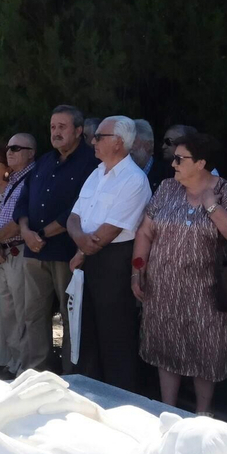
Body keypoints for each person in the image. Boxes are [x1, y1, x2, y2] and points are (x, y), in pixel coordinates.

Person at [131, 132, 227, 413]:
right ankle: (168, 410)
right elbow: (145, 233)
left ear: (201, 163)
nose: (172, 164)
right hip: (162, 285)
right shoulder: (167, 189)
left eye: (179, 158)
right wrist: (138, 271)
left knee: (205, 351)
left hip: (206, 289)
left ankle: (202, 413)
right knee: (165, 347)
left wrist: (211, 205)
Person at [68, 116, 152, 391]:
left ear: (118, 142)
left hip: (115, 261)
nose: (92, 141)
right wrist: (82, 245)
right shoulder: (97, 173)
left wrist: (83, 249)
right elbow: (74, 217)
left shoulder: (134, 180)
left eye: (99, 137)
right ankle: (91, 391)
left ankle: (120, 396)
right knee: (88, 329)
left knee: (115, 333)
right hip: (88, 257)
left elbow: (110, 231)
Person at [13, 106, 98, 371]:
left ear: (78, 130)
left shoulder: (91, 163)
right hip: (33, 251)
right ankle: (36, 375)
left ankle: (71, 377)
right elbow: (23, 201)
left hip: (66, 253)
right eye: (52, 127)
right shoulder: (44, 161)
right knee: (33, 316)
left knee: (71, 316)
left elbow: (78, 208)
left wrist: (41, 234)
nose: (56, 132)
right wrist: (26, 231)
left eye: (62, 127)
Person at [0, 134, 39, 374]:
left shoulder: (32, 179)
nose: (9, 152)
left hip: (20, 251)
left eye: (16, 148)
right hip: (4, 252)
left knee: (23, 313)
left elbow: (18, 223)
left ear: (31, 152)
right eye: (8, 148)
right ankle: (14, 364)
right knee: (8, 315)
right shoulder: (15, 178)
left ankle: (24, 368)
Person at [149, 124, 196, 190]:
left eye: (168, 142)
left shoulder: (205, 174)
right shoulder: (161, 172)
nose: (163, 147)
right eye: (163, 142)